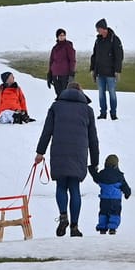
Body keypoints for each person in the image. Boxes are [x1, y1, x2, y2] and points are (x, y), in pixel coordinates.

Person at [35, 84, 99, 237]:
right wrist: (95, 161)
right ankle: (75, 227)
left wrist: (40, 152)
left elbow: (47, 132)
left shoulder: (56, 107)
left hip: (59, 151)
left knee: (61, 186)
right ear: (81, 93)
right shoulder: (87, 110)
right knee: (75, 188)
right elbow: (93, 139)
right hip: (79, 153)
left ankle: (63, 216)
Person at [89, 154, 134, 235]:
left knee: (103, 213)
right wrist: (127, 194)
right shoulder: (119, 175)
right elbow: (125, 186)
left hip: (104, 200)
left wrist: (92, 169)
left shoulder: (102, 174)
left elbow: (96, 178)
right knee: (115, 213)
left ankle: (102, 228)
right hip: (115, 200)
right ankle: (112, 228)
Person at [90, 18, 125, 120]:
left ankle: (113, 114)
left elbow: (119, 56)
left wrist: (117, 71)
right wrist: (92, 69)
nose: (97, 31)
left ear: (103, 28)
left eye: (98, 29)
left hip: (111, 73)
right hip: (100, 73)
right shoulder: (98, 40)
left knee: (112, 93)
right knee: (101, 94)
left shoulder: (115, 39)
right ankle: (103, 113)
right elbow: (94, 56)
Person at [47, 28, 77, 95]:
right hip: (55, 75)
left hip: (65, 75)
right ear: (57, 37)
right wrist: (49, 75)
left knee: (65, 94)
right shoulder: (55, 48)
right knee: (58, 94)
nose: (62, 37)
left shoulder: (68, 46)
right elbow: (51, 61)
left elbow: (72, 60)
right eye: (60, 35)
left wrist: (71, 73)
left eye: (63, 35)